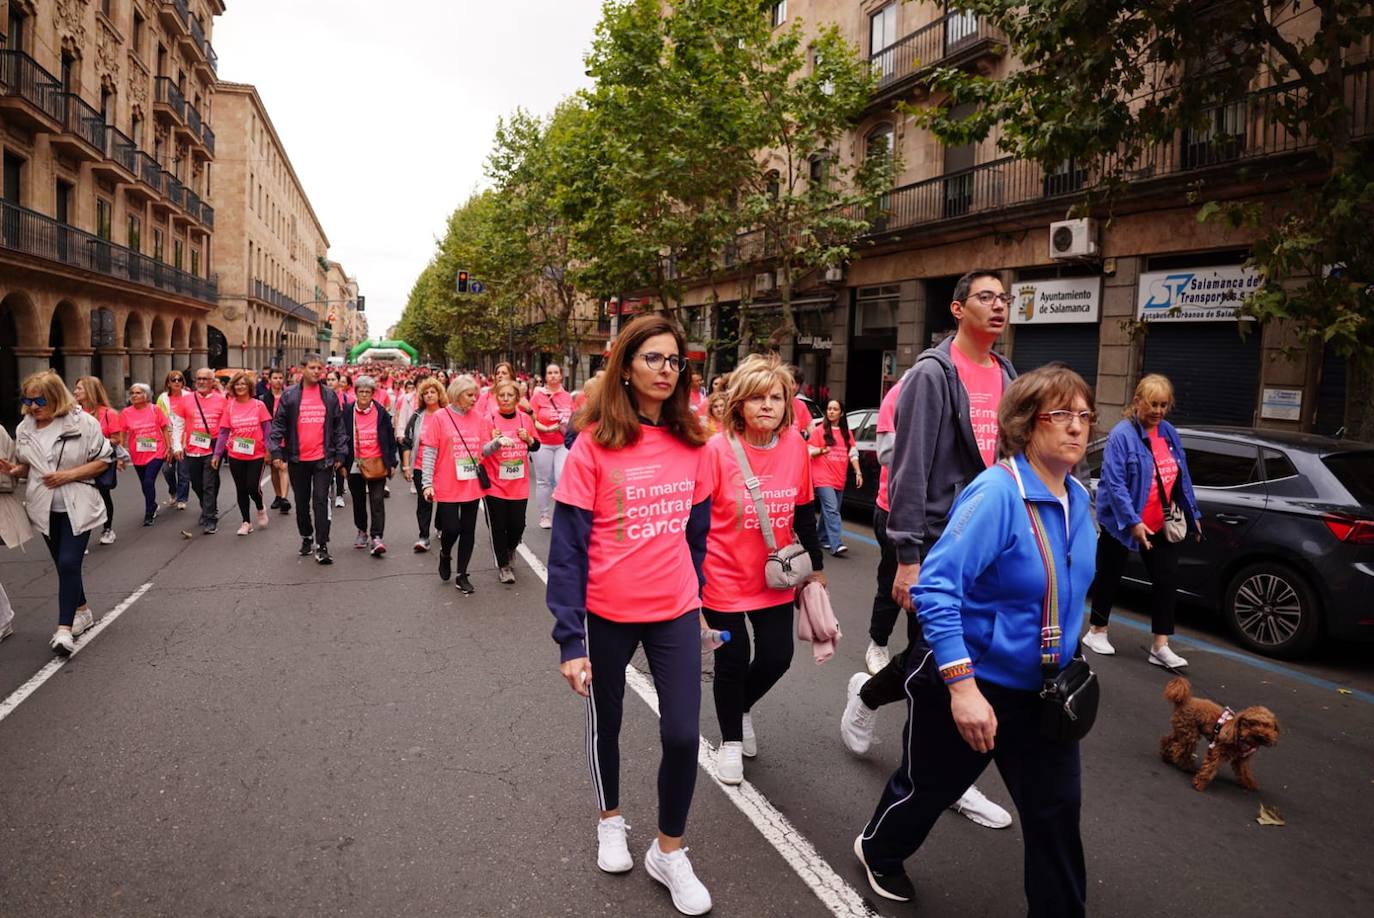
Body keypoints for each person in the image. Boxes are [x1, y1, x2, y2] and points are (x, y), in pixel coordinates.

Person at [853, 365, 1096, 916]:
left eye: (1084, 416)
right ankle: (879, 850)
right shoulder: (996, 495)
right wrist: (962, 689)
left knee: (1056, 814)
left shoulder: (1079, 499)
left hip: (1044, 694)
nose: (1076, 427)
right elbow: (936, 591)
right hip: (974, 683)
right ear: (1026, 423)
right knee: (928, 789)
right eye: (1061, 414)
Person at [546, 315, 713, 914]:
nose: (666, 370)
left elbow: (698, 537)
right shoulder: (593, 445)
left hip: (675, 610)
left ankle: (669, 851)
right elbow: (567, 549)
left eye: (675, 361)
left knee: (683, 734)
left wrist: (700, 603)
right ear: (625, 368)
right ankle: (610, 819)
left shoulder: (694, 444)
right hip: (606, 613)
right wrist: (570, 640)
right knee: (607, 722)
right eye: (653, 358)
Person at [841, 269, 1017, 830]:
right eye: (986, 297)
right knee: (940, 663)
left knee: (949, 658)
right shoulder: (931, 375)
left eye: (1004, 298)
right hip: (939, 540)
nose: (999, 305)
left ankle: (871, 699)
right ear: (958, 309)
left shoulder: (1007, 373)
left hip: (988, 541)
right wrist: (908, 557)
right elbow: (909, 469)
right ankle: (938, 779)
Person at [700, 354, 825, 786]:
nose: (767, 405)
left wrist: (816, 568)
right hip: (722, 576)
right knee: (732, 660)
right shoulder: (716, 451)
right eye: (757, 398)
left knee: (777, 657)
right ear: (739, 404)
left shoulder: (794, 446)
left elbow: (804, 510)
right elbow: (696, 523)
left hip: (774, 576)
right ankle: (730, 741)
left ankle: (741, 706)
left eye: (775, 397)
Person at [1085, 374, 1202, 667]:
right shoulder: (1122, 435)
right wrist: (1132, 521)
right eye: (1153, 404)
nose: (1158, 411)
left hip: (1159, 519)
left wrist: (1193, 513)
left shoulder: (1168, 432)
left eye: (1164, 405)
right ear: (1137, 401)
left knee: (1166, 578)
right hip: (1121, 520)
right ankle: (1097, 631)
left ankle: (1160, 646)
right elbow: (1115, 483)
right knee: (1109, 574)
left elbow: (1182, 474)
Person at [1, 372, 113, 656]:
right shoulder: (25, 428)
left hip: (79, 504)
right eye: (28, 400)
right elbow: (28, 466)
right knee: (65, 566)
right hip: (43, 507)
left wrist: (68, 475)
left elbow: (103, 460)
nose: (33, 406)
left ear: (56, 397)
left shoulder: (82, 422)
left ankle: (64, 630)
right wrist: (15, 470)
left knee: (68, 562)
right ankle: (82, 611)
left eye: (40, 400)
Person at [269, 354, 347, 565]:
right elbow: (278, 425)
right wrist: (276, 452)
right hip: (297, 459)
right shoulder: (290, 396)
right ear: (302, 369)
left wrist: (341, 453)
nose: (316, 371)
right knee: (301, 502)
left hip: (323, 459)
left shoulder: (329, 395)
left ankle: (322, 545)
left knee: (321, 500)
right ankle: (306, 536)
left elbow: (339, 427)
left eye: (319, 368)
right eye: (312, 367)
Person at [419, 376, 486, 593]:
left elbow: (483, 450)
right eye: (470, 395)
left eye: (476, 395)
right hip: (447, 483)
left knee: (468, 530)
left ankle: (462, 574)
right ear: (457, 395)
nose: (474, 399)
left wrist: (498, 443)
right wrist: (426, 483)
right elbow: (430, 451)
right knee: (451, 529)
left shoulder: (479, 418)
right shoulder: (440, 417)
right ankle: (445, 553)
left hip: (471, 483)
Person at [864, 378, 904, 675]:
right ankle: (878, 643)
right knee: (893, 582)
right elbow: (886, 453)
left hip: (944, 513)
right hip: (895, 510)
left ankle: (921, 656)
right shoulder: (901, 392)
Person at [481, 378, 538, 584]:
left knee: (517, 525)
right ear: (496, 398)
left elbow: (535, 446)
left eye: (510, 395)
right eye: (502, 395)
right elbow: (482, 451)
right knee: (498, 526)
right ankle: (504, 566)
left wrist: (528, 439)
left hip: (518, 484)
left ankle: (511, 547)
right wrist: (494, 441)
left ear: (517, 398)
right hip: (495, 483)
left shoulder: (525, 419)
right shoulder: (489, 420)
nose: (505, 399)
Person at [211, 371, 273, 536]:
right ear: (233, 387)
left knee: (252, 487)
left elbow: (267, 429)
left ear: (249, 386)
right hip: (236, 454)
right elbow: (223, 432)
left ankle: (260, 507)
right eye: (237, 384)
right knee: (241, 488)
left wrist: (269, 450)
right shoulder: (230, 407)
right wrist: (217, 454)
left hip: (257, 454)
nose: (240, 387)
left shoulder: (258, 405)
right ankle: (246, 522)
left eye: (243, 384)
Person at [342, 375, 398, 557]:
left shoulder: (381, 412)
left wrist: (392, 462)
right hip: (355, 462)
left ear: (373, 393)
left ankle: (377, 537)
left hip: (376, 461)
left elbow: (390, 438)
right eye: (361, 391)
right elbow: (340, 437)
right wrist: (342, 462)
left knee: (377, 500)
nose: (364, 395)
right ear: (355, 392)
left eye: (368, 391)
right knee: (358, 500)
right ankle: (361, 531)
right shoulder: (347, 412)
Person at [172, 367, 228, 534]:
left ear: (212, 382)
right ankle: (207, 507)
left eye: (205, 379)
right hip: (192, 449)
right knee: (196, 483)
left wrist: (224, 447)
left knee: (208, 483)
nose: (201, 382)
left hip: (213, 449)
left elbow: (226, 427)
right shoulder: (186, 399)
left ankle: (210, 518)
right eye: (199, 379)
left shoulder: (222, 400)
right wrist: (177, 446)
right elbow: (178, 424)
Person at [73, 376, 123, 546]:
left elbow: (116, 439)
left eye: (79, 388)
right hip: (78, 462)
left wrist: (96, 445)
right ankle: (80, 538)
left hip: (100, 461)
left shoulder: (109, 413)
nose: (75, 391)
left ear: (90, 390)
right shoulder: (72, 414)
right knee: (79, 499)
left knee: (103, 495)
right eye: (76, 388)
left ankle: (108, 529)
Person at [808, 399, 862, 557]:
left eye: (835, 409)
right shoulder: (819, 431)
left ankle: (821, 537)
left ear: (841, 413)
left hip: (839, 477)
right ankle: (836, 544)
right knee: (832, 509)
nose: (831, 411)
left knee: (831, 510)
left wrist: (858, 472)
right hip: (822, 476)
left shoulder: (846, 433)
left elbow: (853, 454)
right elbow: (808, 451)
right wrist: (821, 451)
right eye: (829, 409)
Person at [120, 383, 174, 526]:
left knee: (149, 481)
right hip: (137, 453)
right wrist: (121, 453)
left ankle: (149, 513)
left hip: (156, 451)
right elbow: (122, 433)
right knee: (144, 484)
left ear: (146, 395)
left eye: (138, 393)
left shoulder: (154, 409)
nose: (134, 395)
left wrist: (168, 447)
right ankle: (153, 505)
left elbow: (164, 428)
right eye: (132, 393)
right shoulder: (126, 412)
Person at [402, 377, 446, 551]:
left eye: (433, 392)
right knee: (424, 502)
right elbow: (407, 442)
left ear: (439, 394)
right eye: (425, 393)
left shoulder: (447, 414)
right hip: (421, 466)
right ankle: (423, 537)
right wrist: (407, 466)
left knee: (444, 500)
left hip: (442, 467)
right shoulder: (417, 416)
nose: (429, 395)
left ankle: (440, 525)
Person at [530, 363, 573, 529]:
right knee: (543, 481)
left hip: (563, 443)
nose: (553, 375)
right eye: (550, 373)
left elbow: (575, 418)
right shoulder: (538, 396)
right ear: (546, 377)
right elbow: (531, 419)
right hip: (543, 443)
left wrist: (568, 424)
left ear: (561, 376)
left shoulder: (568, 396)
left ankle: (561, 515)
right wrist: (547, 428)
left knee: (561, 478)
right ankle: (544, 515)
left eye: (556, 372)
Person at [157, 370, 190, 510]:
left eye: (179, 379)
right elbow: (158, 420)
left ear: (183, 382)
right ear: (168, 383)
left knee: (183, 471)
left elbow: (192, 418)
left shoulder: (189, 397)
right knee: (167, 470)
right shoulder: (162, 398)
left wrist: (185, 440)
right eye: (173, 379)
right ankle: (173, 491)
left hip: (184, 437)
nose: (177, 382)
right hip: (168, 438)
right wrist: (167, 443)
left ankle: (182, 498)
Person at [260, 368, 291, 513]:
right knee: (274, 468)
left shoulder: (289, 396)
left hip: (286, 437)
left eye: (280, 378)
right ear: (269, 380)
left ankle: (284, 499)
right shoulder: (263, 399)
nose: (278, 380)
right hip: (270, 438)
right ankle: (278, 495)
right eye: (275, 378)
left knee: (283, 467)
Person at [789, 365, 812, 434]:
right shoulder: (774, 403)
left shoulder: (801, 405)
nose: (794, 387)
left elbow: (810, 427)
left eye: (797, 384)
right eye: (792, 382)